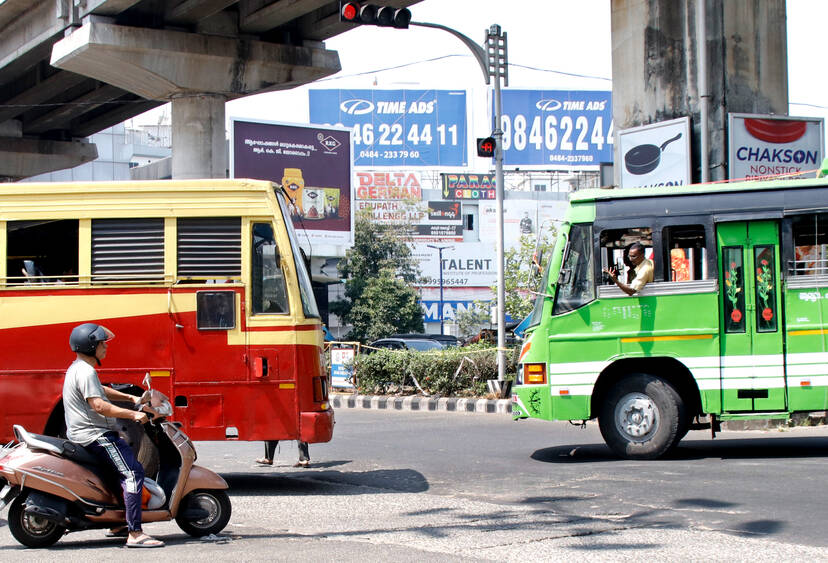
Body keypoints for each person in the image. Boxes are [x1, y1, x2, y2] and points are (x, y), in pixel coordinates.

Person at [63, 323, 164, 548]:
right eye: (101, 344)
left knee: (116, 473)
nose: (105, 347)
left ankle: (118, 522)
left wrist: (132, 399)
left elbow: (100, 389)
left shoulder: (78, 368)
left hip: (82, 434)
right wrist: (133, 415)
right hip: (95, 435)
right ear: (91, 346)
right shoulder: (86, 371)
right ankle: (135, 534)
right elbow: (99, 404)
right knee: (133, 473)